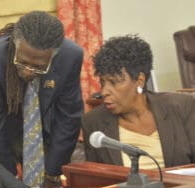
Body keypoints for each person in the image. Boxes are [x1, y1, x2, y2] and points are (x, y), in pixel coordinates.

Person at [0, 11, 84, 187]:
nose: (29, 71)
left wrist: (52, 172)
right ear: (16, 44)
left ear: (54, 55)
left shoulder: (70, 56)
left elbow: (69, 117)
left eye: (39, 67)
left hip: (43, 128)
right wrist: (10, 179)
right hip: (0, 131)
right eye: (22, 62)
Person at [82, 35, 195, 169]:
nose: (104, 91)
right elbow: (96, 179)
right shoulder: (93, 122)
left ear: (140, 80)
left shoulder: (180, 106)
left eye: (113, 82)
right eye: (103, 82)